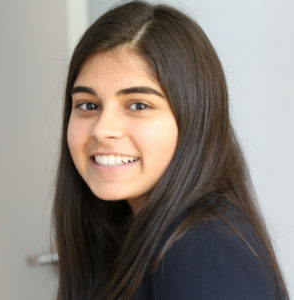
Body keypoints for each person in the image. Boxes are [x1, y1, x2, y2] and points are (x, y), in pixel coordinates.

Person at [52, 1, 288, 299]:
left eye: (138, 105)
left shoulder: (204, 251)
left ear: (193, 119)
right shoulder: (130, 233)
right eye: (89, 105)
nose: (102, 129)